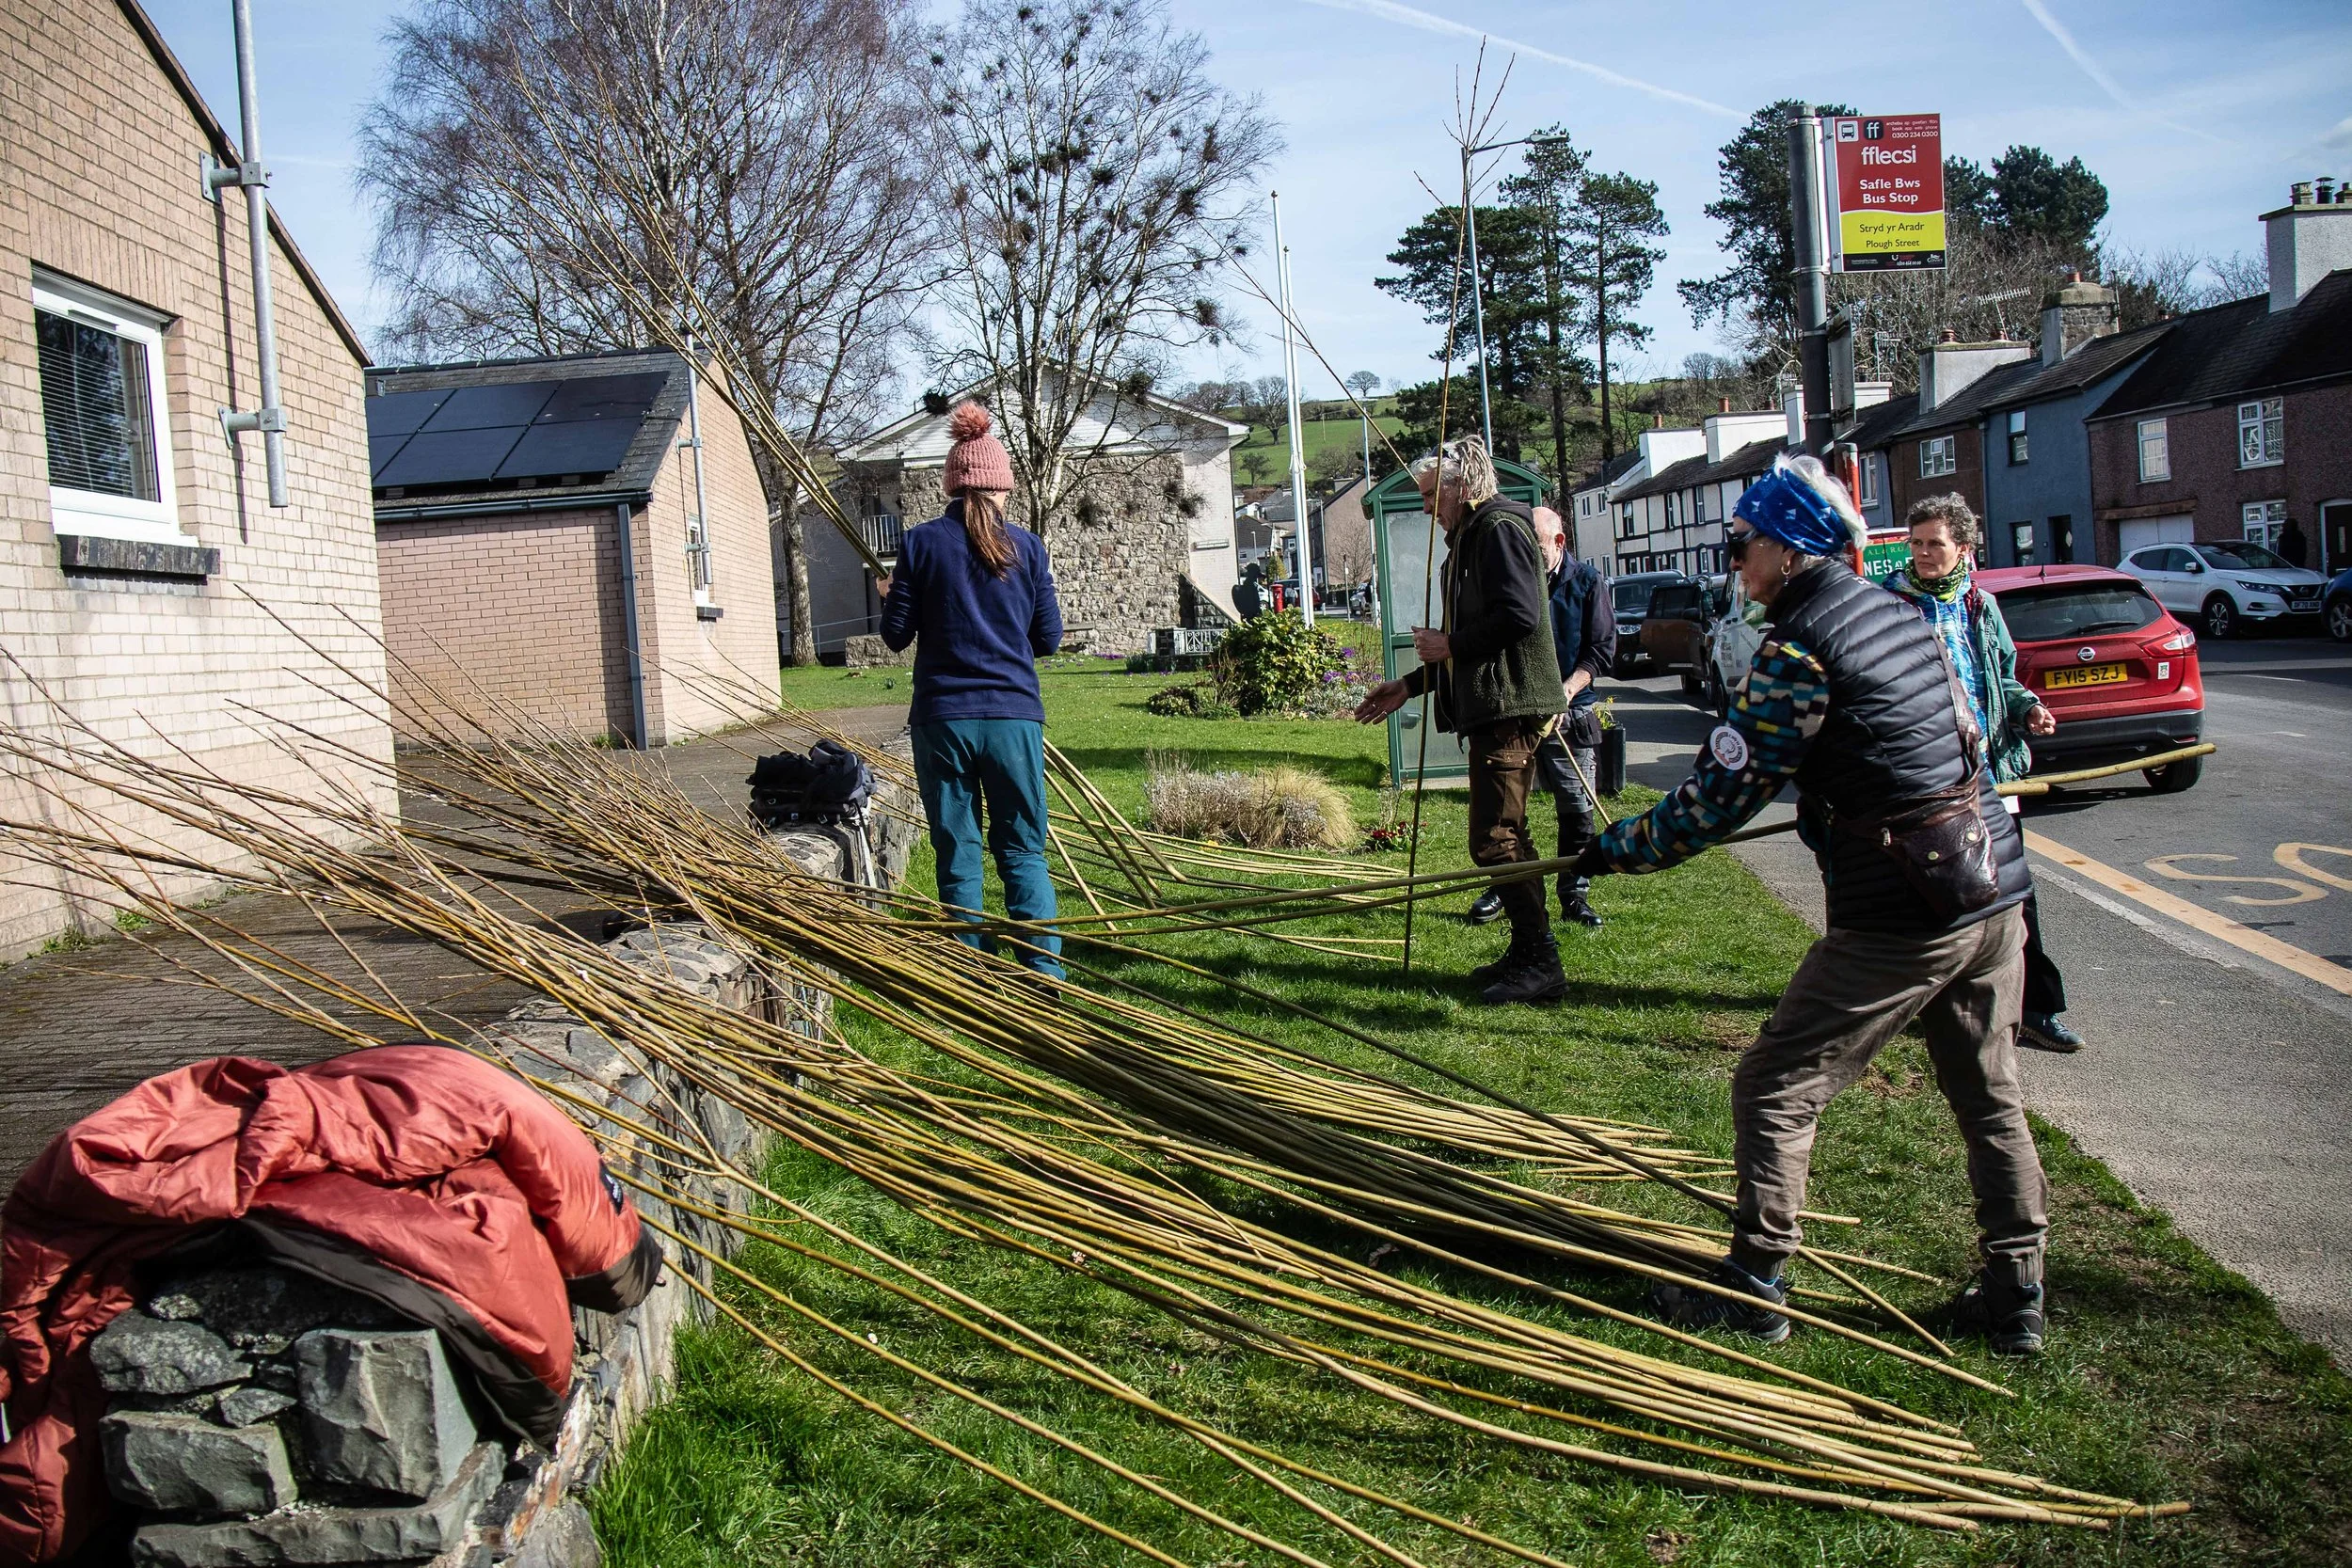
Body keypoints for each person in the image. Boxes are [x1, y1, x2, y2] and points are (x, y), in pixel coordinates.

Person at [1574, 453, 2052, 1355]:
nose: (1732, 564)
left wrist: (1614, 848)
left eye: (1741, 544)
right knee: (1989, 1092)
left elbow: (1719, 797)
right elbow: (1964, 736)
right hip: (1991, 889)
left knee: (1775, 1083)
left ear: (1790, 549)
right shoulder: (1901, 614)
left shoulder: (1797, 651)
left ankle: (1755, 1284)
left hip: (1904, 909)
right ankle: (2015, 1293)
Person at [1356, 439, 1568, 1005]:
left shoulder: (1497, 527)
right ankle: (1530, 952)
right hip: (1495, 707)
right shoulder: (1472, 537)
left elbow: (1520, 616)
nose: (1427, 507)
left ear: (1463, 483)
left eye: (1431, 494)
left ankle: (1540, 959)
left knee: (1496, 840)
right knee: (1510, 834)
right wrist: (1409, 684)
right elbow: (1467, 645)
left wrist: (1450, 643)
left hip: (1510, 707)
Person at [878, 402, 1066, 979]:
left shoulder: (918, 545)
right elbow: (1050, 638)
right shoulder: (1028, 548)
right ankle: (1043, 972)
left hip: (943, 720)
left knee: (958, 849)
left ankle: (971, 977)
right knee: (1022, 848)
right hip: (1013, 720)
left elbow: (895, 637)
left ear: (953, 487)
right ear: (1001, 487)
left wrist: (893, 596)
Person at [1886, 495, 2080, 1053]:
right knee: (1933, 892)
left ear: (1963, 550)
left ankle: (2036, 1010)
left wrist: (2028, 710)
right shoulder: (1893, 606)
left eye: (1935, 544)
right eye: (1917, 543)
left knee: (2015, 892)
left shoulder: (1979, 605)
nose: (1923, 554)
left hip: (1989, 773)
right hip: (1927, 779)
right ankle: (1928, 1003)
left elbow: (2003, 681)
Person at [1467, 506, 1614, 930]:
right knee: (1509, 806)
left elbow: (1601, 649)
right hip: (1517, 714)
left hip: (1570, 709)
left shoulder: (1586, 582)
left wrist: (1564, 692)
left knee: (1575, 804)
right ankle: (1506, 886)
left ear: (1559, 542)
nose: (1527, 552)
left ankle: (1574, 889)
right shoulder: (1514, 582)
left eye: (1537, 544)